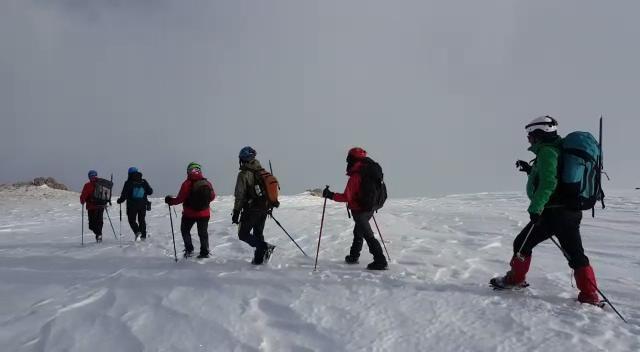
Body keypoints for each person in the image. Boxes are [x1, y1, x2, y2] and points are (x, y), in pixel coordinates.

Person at [490, 116, 601, 305]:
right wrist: (529, 170)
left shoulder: (548, 152)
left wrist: (536, 208)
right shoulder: (555, 149)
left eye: (531, 134)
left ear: (540, 134)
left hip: (553, 213)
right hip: (568, 212)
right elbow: (552, 176)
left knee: (522, 244)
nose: (528, 138)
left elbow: (549, 182)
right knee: (575, 254)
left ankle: (515, 279)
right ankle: (590, 296)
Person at [323, 147, 388, 270]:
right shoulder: (371, 170)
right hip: (371, 207)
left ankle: (380, 260)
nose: (347, 162)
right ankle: (354, 256)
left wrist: (330, 195)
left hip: (360, 210)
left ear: (352, 159)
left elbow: (346, 197)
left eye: (348, 159)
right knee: (359, 231)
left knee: (368, 235)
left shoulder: (356, 176)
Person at [232, 146, 276, 265]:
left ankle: (264, 247)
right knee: (258, 233)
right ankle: (258, 260)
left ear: (243, 159)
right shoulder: (262, 171)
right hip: (264, 207)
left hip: (252, 209)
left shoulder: (244, 174)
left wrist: (236, 212)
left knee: (243, 234)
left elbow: (240, 195)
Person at [164, 162, 216, 258]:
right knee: (203, 233)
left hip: (189, 214)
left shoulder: (187, 184)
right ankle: (204, 252)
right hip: (204, 213)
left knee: (185, 230)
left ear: (188, 171)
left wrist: (170, 201)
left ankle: (189, 250)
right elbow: (212, 197)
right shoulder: (207, 183)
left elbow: (180, 199)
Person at [116, 167, 153, 241]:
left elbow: (124, 195)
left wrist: (119, 201)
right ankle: (143, 236)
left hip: (132, 205)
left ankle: (137, 231)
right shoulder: (143, 181)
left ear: (129, 173)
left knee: (131, 220)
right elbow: (150, 192)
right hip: (143, 204)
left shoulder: (128, 183)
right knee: (142, 220)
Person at [80, 170, 104, 242]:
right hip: (101, 206)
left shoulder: (87, 185)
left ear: (89, 176)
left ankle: (98, 234)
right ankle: (99, 235)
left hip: (92, 207)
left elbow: (83, 196)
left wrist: (82, 201)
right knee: (99, 221)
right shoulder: (102, 184)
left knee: (92, 224)